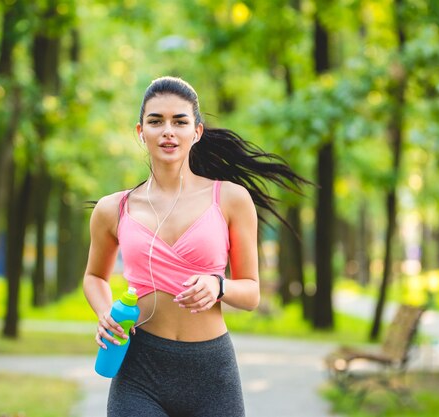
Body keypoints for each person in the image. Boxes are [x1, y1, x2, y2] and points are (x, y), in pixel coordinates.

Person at [83, 76, 308, 417]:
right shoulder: (114, 209)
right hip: (139, 369)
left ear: (197, 132)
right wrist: (104, 315)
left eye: (180, 121)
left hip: (210, 373)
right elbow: (94, 277)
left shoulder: (230, 199)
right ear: (140, 131)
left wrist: (217, 285)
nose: (167, 131)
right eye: (156, 121)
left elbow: (250, 294)